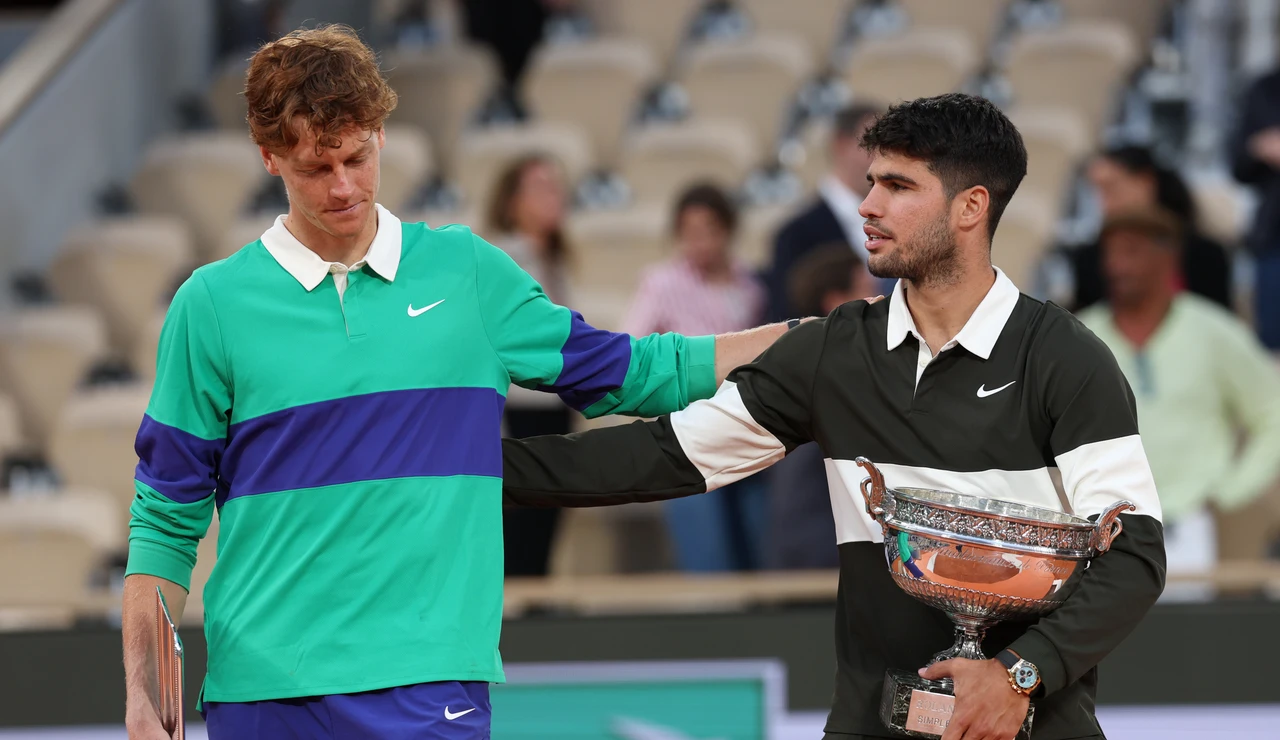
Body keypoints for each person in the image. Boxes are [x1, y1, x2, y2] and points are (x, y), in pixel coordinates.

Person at [121, 25, 794, 740]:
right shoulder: (211, 305)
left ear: (381, 134)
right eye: (316, 166)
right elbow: (166, 517)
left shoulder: (469, 274)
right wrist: (144, 691)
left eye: (356, 155)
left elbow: (639, 374)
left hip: (431, 684)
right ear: (268, 156)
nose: (343, 185)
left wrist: (811, 340)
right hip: (261, 693)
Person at [501, 93, 1167, 740]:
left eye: (898, 187)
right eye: (870, 181)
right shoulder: (831, 351)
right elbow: (662, 457)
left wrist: (1019, 675)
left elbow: (1134, 554)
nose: (867, 205)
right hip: (869, 724)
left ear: (971, 207)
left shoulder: (1067, 359)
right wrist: (456, 460)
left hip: (1031, 724)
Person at [1077, 207, 1280, 595]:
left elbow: (1273, 411)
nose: (1117, 266)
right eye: (1110, 253)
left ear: (1166, 258)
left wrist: (1231, 488)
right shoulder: (1079, 335)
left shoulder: (1212, 331)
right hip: (1096, 534)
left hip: (1187, 528)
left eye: (1131, 252)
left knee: (1180, 645)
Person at [622, 183, 767, 571]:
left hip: (750, 428)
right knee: (706, 557)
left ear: (727, 230)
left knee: (758, 548)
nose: (699, 242)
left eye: (708, 230)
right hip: (690, 431)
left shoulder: (751, 284)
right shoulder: (660, 282)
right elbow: (632, 348)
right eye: (689, 232)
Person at [485, 154, 575, 577]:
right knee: (516, 539)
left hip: (554, 409)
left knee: (544, 536)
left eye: (557, 187)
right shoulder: (502, 259)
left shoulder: (556, 260)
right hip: (515, 412)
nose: (553, 198)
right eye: (540, 187)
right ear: (512, 201)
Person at [766, 245, 877, 570]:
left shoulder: (807, 362)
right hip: (819, 558)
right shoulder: (834, 371)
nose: (880, 301)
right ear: (837, 302)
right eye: (866, 290)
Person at [1068, 144, 1232, 311]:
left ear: (1146, 183)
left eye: (1111, 188)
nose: (1104, 204)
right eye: (1095, 192)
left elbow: (1219, 322)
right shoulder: (1089, 260)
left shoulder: (1205, 256)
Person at [765, 103, 883, 323]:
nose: (882, 155)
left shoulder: (906, 221)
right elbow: (788, 322)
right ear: (840, 145)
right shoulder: (795, 235)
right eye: (872, 144)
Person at [1231, 66, 1280, 350]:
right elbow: (1238, 165)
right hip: (1274, 234)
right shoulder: (1267, 88)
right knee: (1272, 346)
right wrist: (1259, 146)